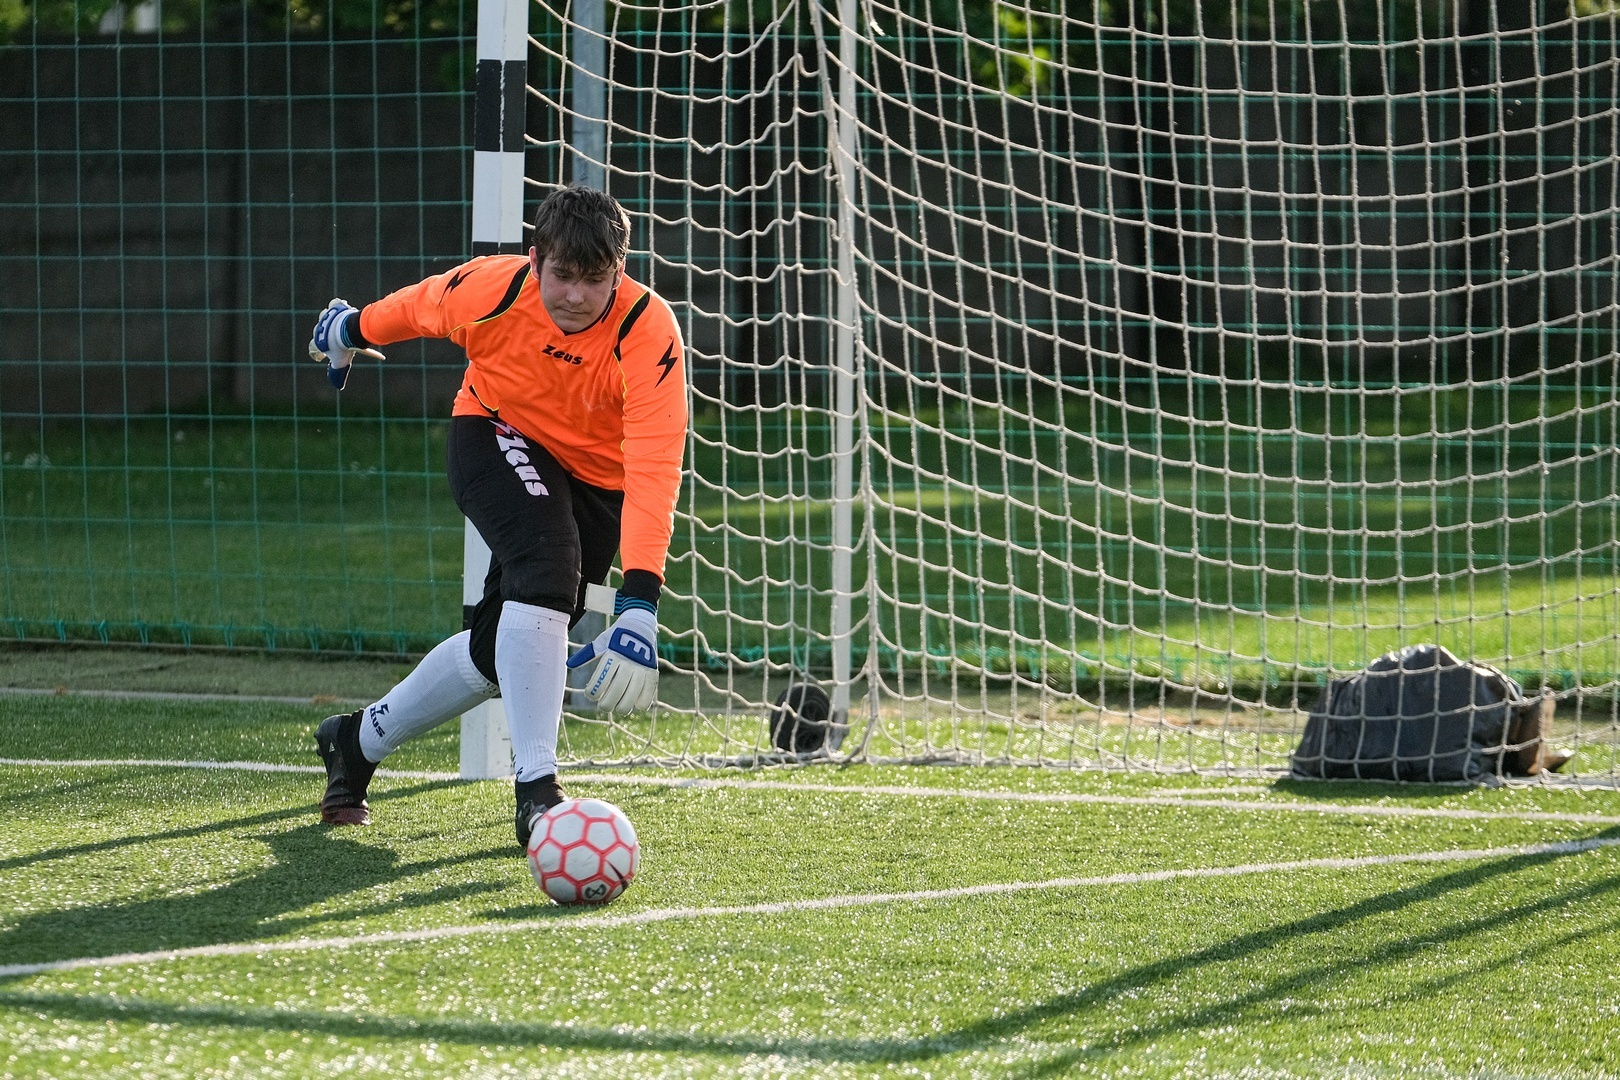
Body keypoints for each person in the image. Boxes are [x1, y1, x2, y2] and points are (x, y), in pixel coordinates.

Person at [305, 185, 687, 850]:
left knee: (500, 650)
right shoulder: (494, 288)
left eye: (594, 280)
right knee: (547, 567)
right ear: (534, 260)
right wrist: (348, 329)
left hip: (599, 480)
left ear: (619, 272)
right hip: (495, 431)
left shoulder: (648, 330)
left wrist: (639, 602)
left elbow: (656, 462)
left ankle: (355, 740)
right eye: (562, 275)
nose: (575, 295)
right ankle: (538, 792)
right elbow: (418, 307)